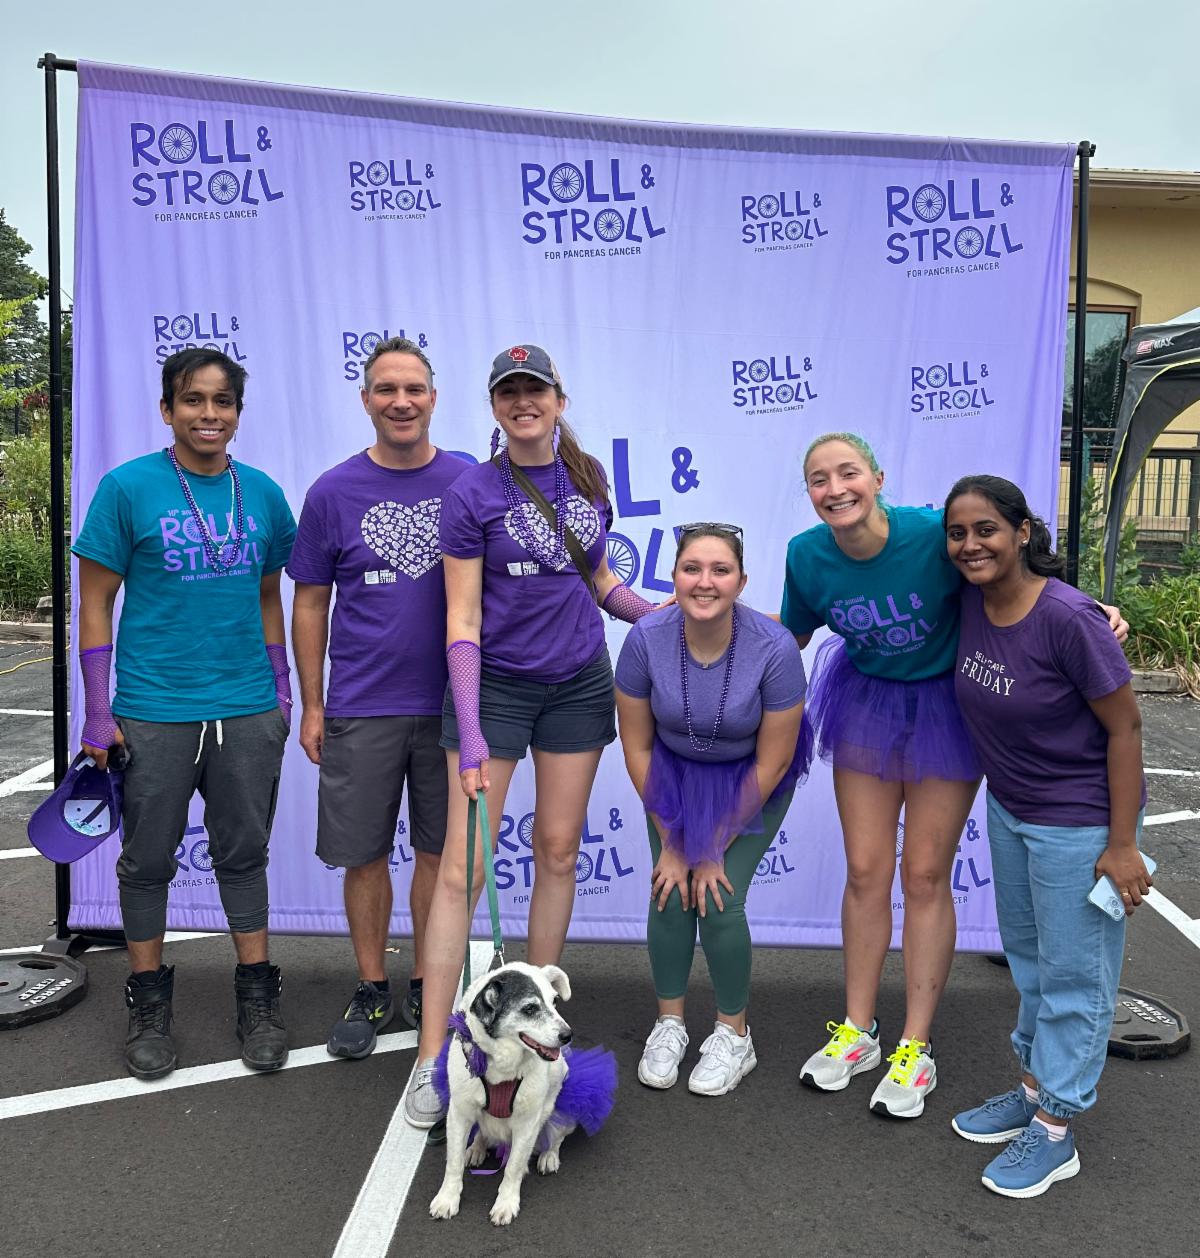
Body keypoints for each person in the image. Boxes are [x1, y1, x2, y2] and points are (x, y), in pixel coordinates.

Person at [781, 433, 1126, 1119]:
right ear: (809, 492)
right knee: (865, 870)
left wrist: (1091, 612)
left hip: (946, 705)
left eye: (848, 472)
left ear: (877, 478)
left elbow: (1006, 574)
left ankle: (916, 1045)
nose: (836, 488)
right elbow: (789, 633)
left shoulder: (931, 535)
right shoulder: (806, 554)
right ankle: (858, 1030)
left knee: (925, 875)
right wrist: (702, 617)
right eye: (819, 479)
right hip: (866, 702)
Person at [403, 344, 658, 1127]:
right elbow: (462, 618)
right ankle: (432, 1057)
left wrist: (667, 618)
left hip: (578, 684)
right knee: (462, 871)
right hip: (495, 690)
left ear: (558, 398)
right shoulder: (472, 492)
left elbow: (601, 583)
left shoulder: (587, 479)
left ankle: (539, 1037)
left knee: (557, 850)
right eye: (509, 392)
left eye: (535, 390)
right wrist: (473, 728)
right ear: (493, 405)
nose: (524, 402)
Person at [74, 348, 296, 1079]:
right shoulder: (127, 489)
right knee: (146, 863)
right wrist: (97, 711)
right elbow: (96, 603)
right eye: (193, 400)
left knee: (244, 857)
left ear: (237, 412)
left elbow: (269, 596)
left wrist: (281, 690)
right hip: (153, 710)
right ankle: (148, 1002)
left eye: (222, 401)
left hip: (247, 709)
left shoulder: (263, 494)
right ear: (167, 409)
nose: (209, 414)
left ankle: (258, 997)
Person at [943, 475, 1148, 1198]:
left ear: (1023, 532)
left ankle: (1057, 1128)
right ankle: (1034, 1087)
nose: (972, 545)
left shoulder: (1068, 618)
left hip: (1081, 820)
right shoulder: (969, 600)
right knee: (1030, 965)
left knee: (1074, 977)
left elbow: (1126, 727)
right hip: (1012, 809)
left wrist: (1121, 845)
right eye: (958, 533)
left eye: (987, 530)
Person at [289, 337, 469, 1059]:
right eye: (387, 389)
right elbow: (309, 603)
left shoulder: (469, 480)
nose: (401, 401)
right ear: (366, 399)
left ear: (433, 398)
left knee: (437, 856)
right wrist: (313, 703)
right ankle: (371, 985)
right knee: (363, 857)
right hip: (361, 704)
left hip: (453, 708)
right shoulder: (332, 492)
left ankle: (429, 980)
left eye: (414, 389)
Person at [615, 524, 808, 1096]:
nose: (705, 582)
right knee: (670, 890)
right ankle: (669, 1024)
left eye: (720, 570)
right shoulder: (645, 639)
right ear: (673, 578)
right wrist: (676, 843)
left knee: (718, 898)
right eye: (691, 568)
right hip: (672, 774)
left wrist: (709, 847)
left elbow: (773, 761)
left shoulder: (774, 648)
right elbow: (637, 747)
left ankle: (734, 1033)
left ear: (741, 582)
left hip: (750, 778)